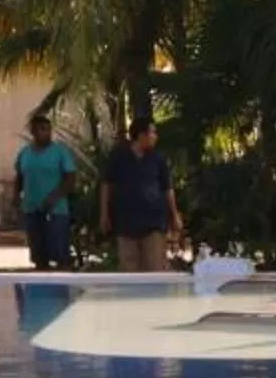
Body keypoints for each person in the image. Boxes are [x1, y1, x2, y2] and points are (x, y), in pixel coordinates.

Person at [100, 117, 182, 272]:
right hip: (126, 220)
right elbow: (107, 185)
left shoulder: (158, 158)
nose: (155, 136)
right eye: (152, 132)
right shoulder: (119, 156)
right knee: (128, 268)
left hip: (154, 220)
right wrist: (104, 214)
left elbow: (167, 188)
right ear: (141, 135)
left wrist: (174, 214)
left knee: (154, 266)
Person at [13, 111, 80, 269]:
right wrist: (16, 196)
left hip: (56, 211)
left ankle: (61, 288)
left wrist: (55, 197)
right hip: (31, 208)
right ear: (33, 131)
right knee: (38, 254)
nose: (46, 133)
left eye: (48, 129)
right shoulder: (25, 153)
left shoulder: (60, 152)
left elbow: (70, 178)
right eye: (42, 129)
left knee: (60, 254)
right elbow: (20, 176)